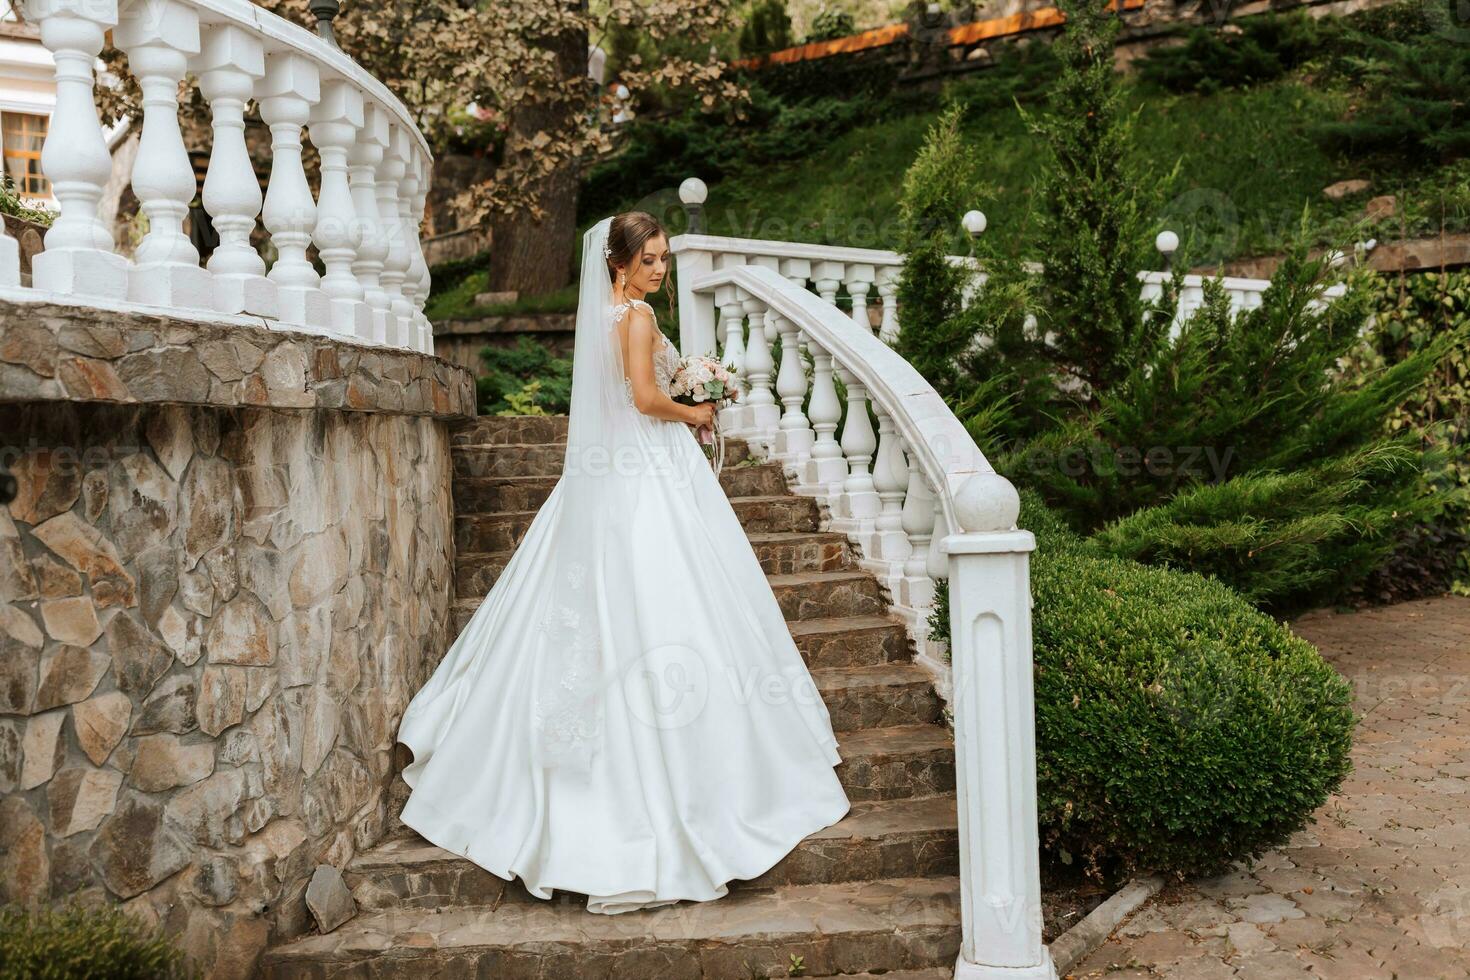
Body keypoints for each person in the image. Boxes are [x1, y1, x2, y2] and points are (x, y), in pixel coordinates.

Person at [394, 211, 851, 915]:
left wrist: (692, 392)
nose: (659, 271)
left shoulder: (611, 316)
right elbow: (642, 400)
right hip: (647, 471)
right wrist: (695, 411)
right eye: (649, 260)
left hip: (617, 473)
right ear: (618, 263)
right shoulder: (633, 319)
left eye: (665, 259)